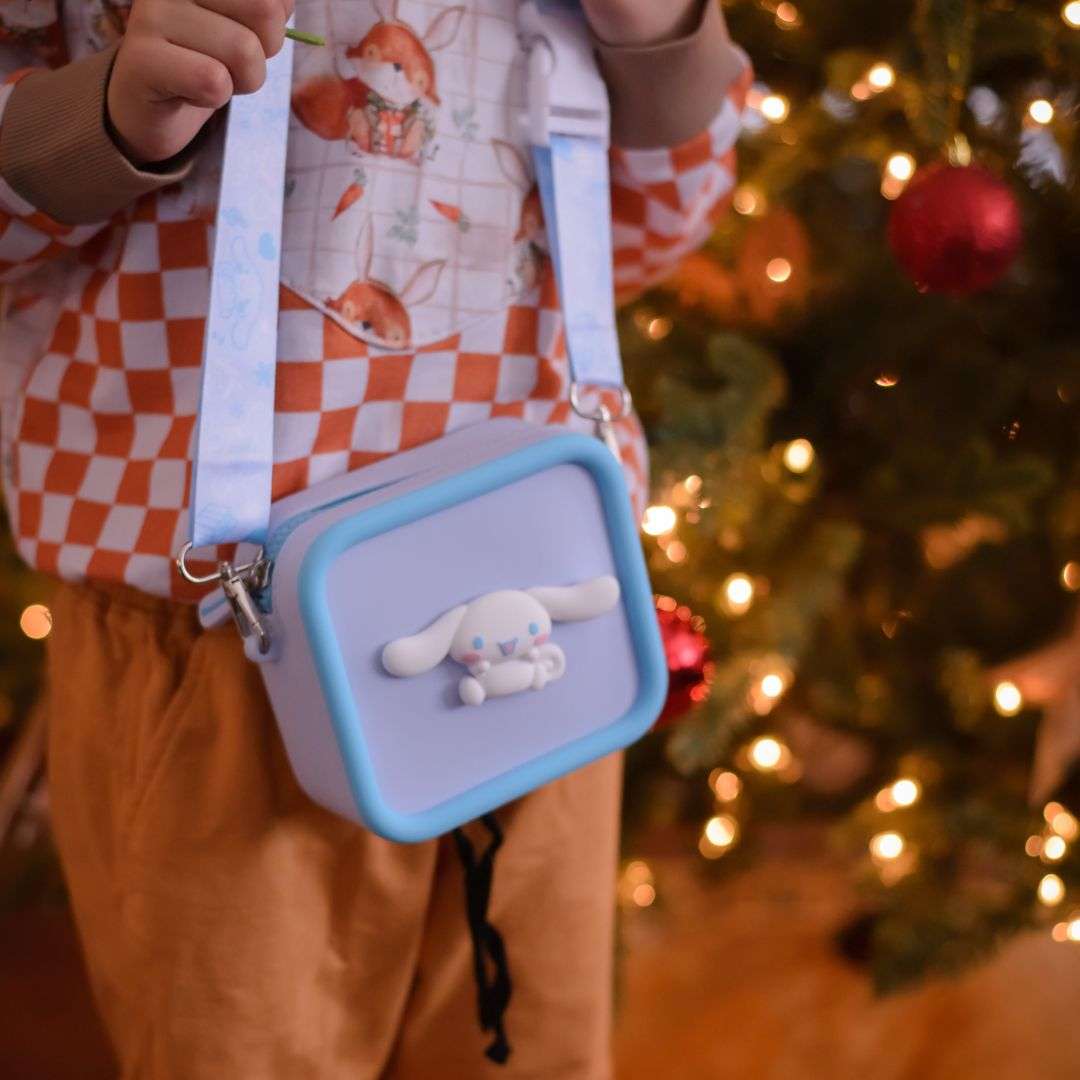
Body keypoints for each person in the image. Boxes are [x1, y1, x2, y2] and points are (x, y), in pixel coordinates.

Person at [0, 0, 748, 1075]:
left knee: (528, 1045)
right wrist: (109, 116)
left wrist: (656, 33)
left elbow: (655, 228)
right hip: (214, 642)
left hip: (540, 600)